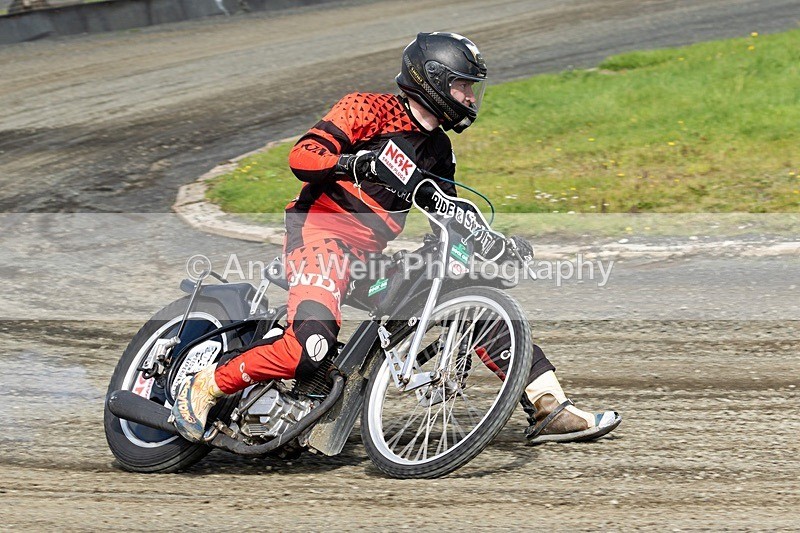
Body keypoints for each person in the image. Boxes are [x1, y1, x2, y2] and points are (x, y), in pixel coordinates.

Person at [171, 32, 621, 446]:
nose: (471, 98)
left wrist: (495, 244)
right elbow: (303, 155)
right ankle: (205, 385)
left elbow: (448, 213)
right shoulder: (367, 108)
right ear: (434, 81)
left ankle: (548, 406)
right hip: (318, 235)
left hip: (367, 259)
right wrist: (353, 163)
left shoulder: (438, 151)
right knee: (311, 347)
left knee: (467, 300)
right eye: (464, 86)